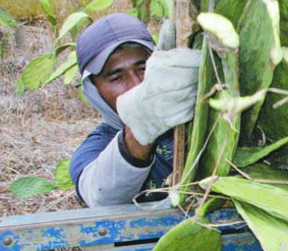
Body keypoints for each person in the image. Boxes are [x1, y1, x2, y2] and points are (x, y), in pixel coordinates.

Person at [69, 13, 201, 207]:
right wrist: (141, 124)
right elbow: (100, 195)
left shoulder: (203, 116)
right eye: (116, 78)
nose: (136, 84)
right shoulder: (95, 149)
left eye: (143, 68)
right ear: (95, 92)